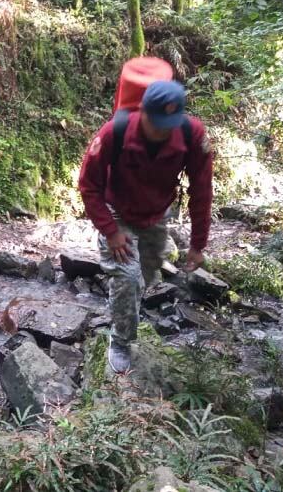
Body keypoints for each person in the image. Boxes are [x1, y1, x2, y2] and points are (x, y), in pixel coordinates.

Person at [78, 78, 213, 373]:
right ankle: (121, 341)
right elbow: (88, 185)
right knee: (128, 278)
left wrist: (198, 244)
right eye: (159, 123)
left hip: (156, 215)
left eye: (171, 122)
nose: (165, 130)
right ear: (144, 113)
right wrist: (110, 232)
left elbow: (201, 191)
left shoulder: (192, 135)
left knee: (145, 277)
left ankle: (123, 307)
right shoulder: (115, 132)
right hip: (118, 213)